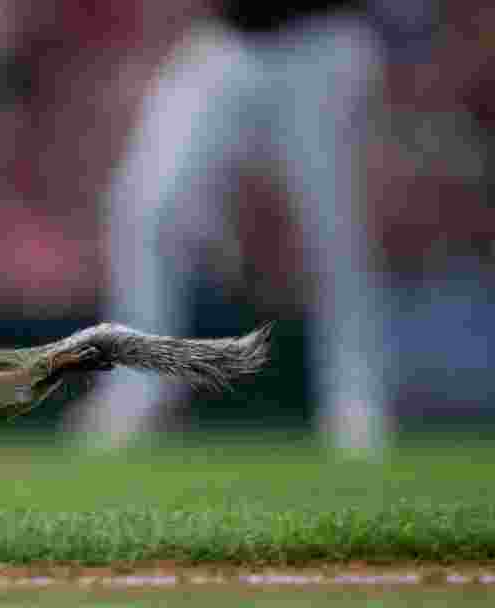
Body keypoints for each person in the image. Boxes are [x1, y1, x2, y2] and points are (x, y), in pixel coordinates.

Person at [71, 1, 436, 455]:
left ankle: (358, 400)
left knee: (336, 233)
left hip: (325, 41)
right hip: (226, 42)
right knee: (149, 207)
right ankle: (140, 391)